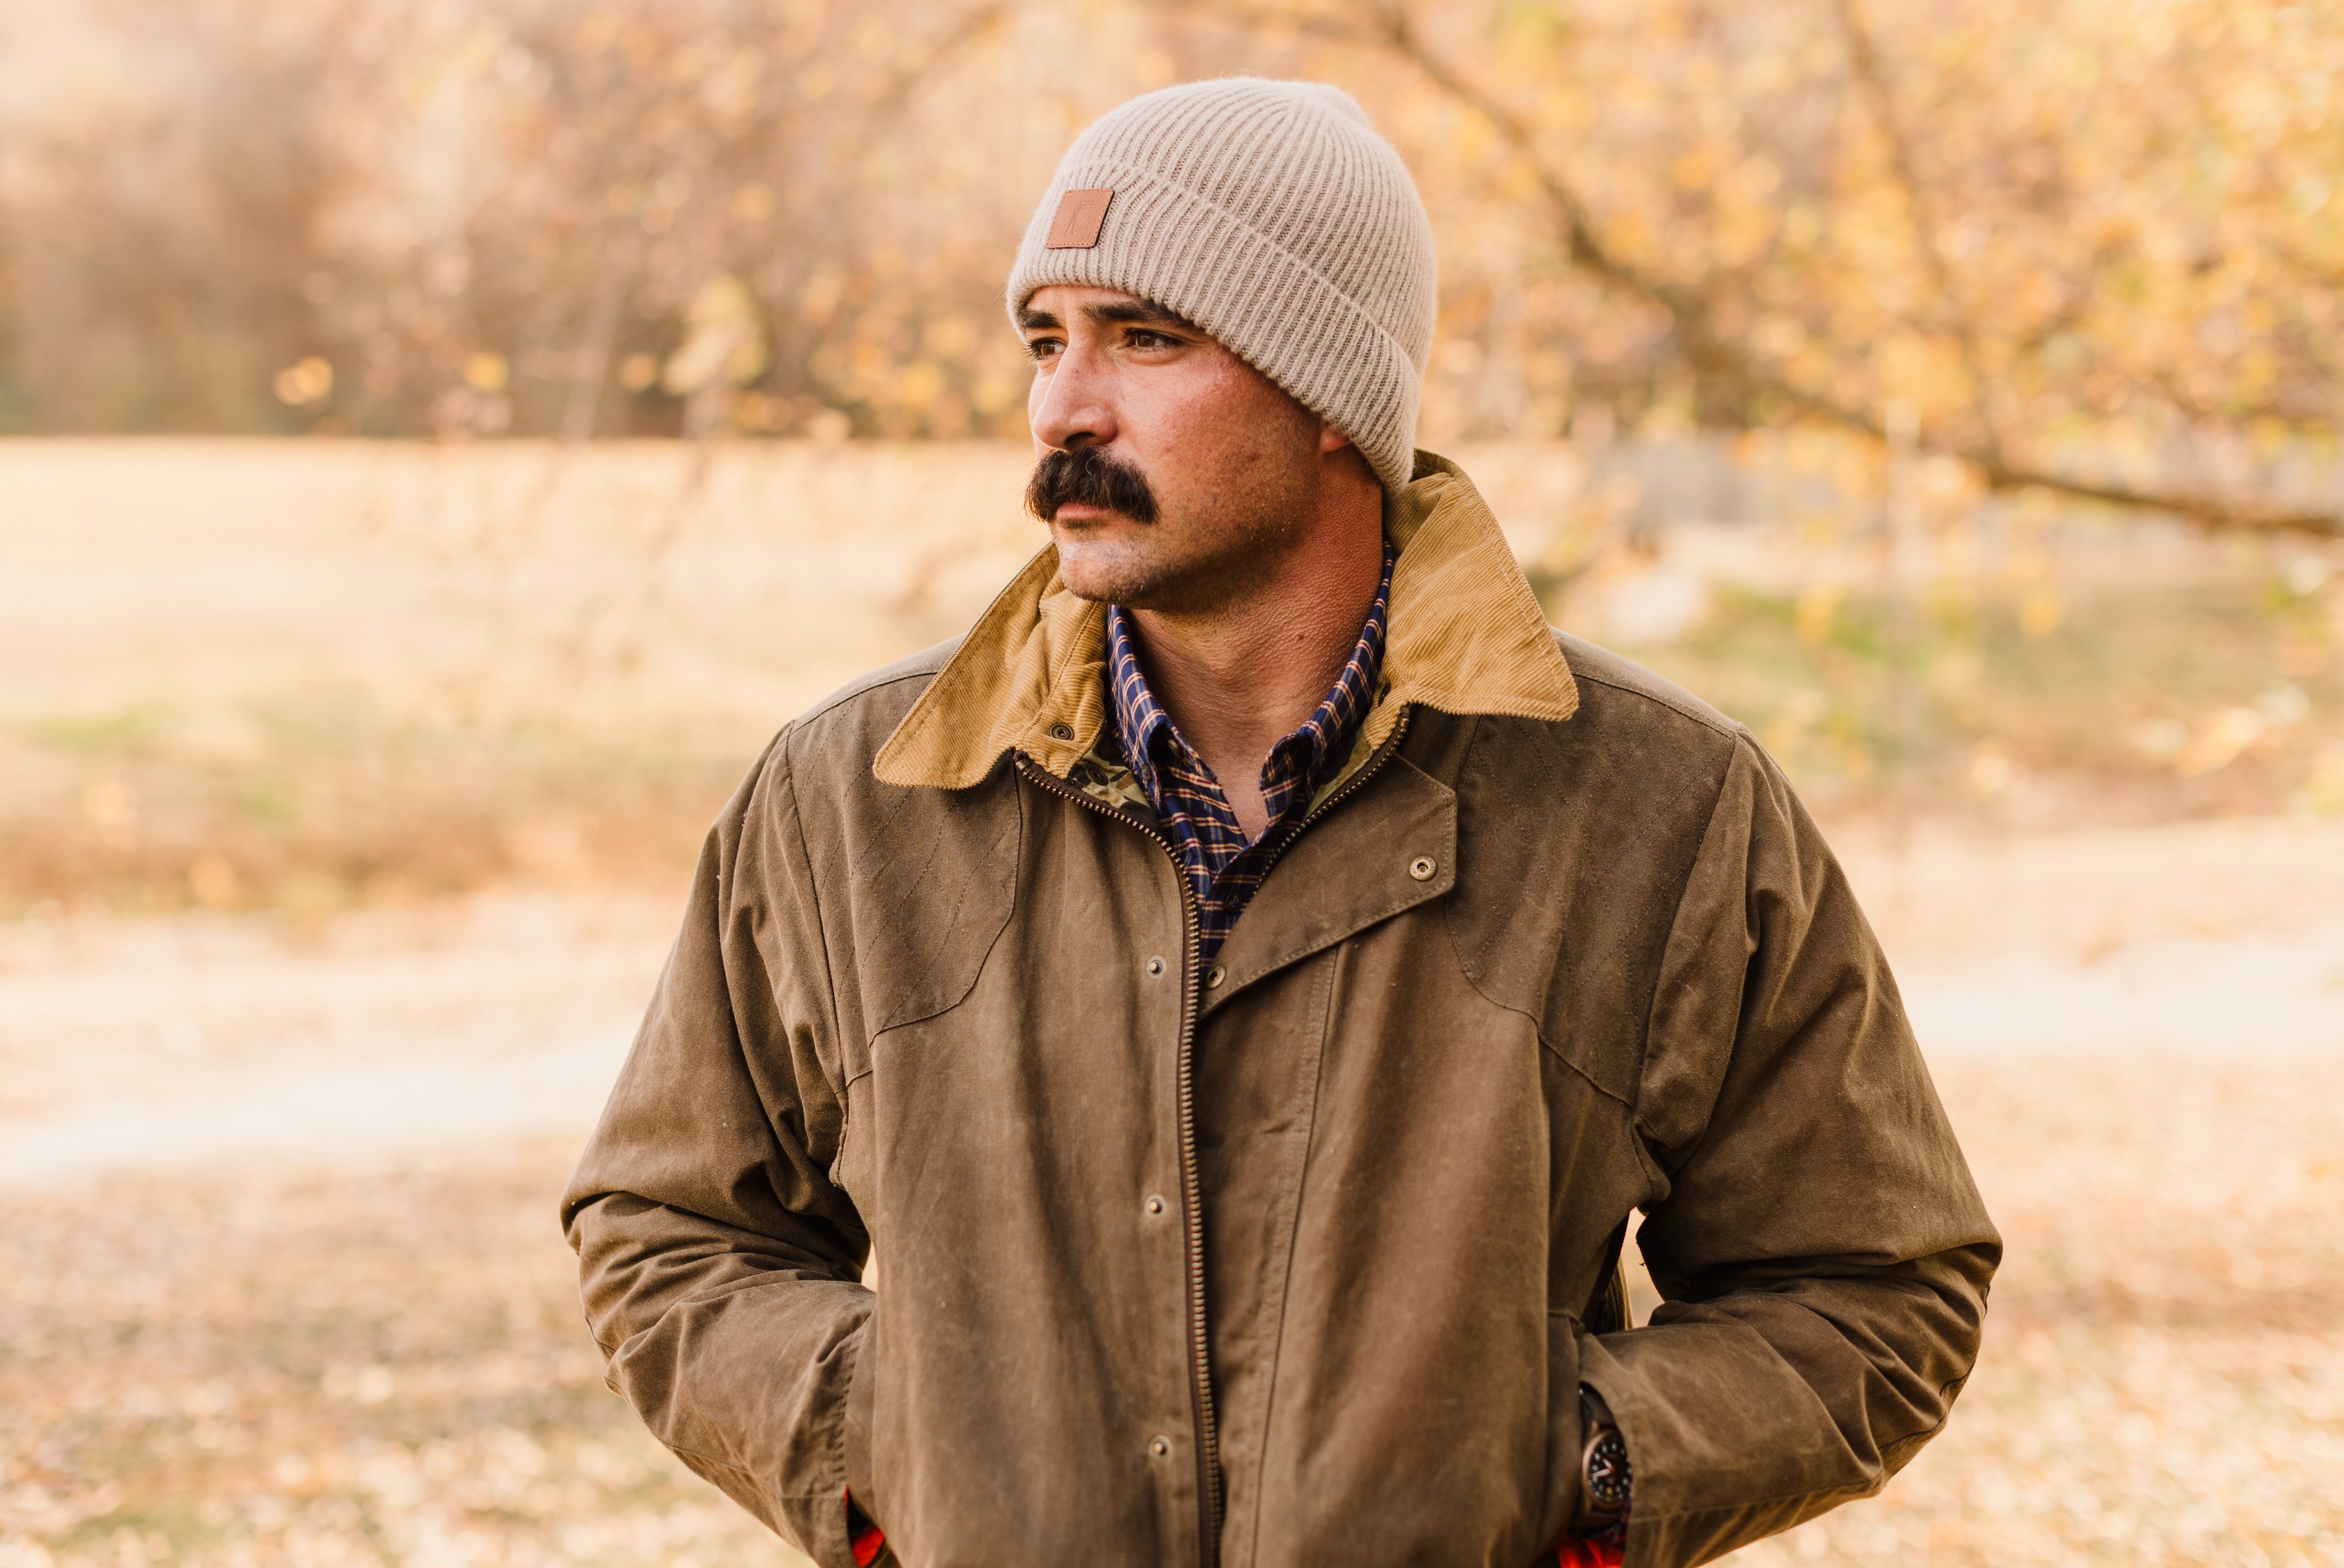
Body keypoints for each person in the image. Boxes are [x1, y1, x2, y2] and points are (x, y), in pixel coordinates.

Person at [562, 77, 1999, 1568]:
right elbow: (668, 1232)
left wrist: (1572, 1462)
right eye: (1046, 341)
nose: (1062, 407)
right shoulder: (855, 799)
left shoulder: (1658, 806)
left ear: (1329, 394)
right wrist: (892, 1438)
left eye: (1145, 337)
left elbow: (1873, 1289)